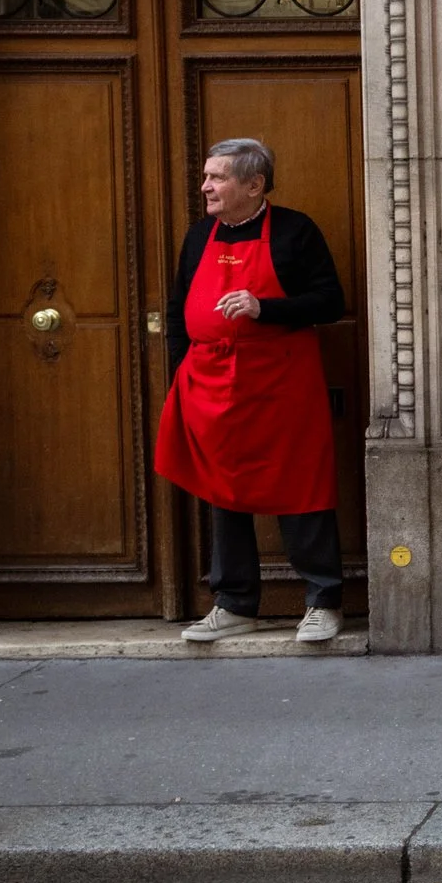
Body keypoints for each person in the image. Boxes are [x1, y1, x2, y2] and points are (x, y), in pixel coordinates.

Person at [155, 137, 348, 644]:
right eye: (206, 176)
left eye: (216, 177)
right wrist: (181, 373)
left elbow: (330, 301)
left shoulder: (294, 231)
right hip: (210, 384)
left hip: (282, 382)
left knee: (301, 484)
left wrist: (267, 308)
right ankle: (235, 602)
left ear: (254, 184)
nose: (205, 187)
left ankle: (323, 600)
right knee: (224, 488)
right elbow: (178, 310)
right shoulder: (199, 236)